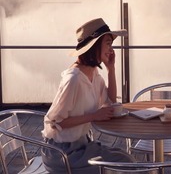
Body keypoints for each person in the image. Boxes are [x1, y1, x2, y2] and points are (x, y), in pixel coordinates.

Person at [42, 18, 135, 173]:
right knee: (124, 163)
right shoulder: (74, 79)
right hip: (62, 153)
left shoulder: (93, 73)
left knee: (126, 158)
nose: (111, 49)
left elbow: (111, 100)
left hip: (82, 145)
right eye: (108, 44)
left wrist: (111, 69)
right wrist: (94, 116)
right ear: (95, 45)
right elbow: (56, 122)